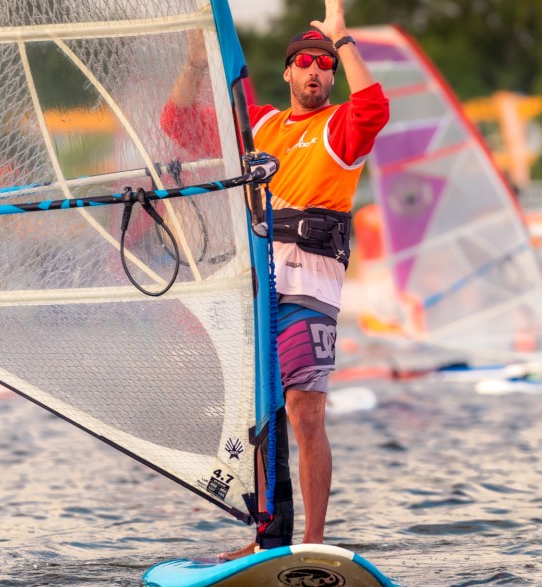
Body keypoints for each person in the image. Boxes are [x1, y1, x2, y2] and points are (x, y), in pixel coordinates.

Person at [162, 0, 388, 558]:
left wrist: (342, 39)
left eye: (324, 65)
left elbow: (375, 107)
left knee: (304, 411)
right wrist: (194, 65)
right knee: (261, 414)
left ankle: (312, 543)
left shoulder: (340, 126)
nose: (316, 71)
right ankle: (269, 539)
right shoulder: (260, 124)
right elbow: (178, 125)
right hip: (259, 288)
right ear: (287, 72)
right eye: (305, 63)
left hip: (311, 288)